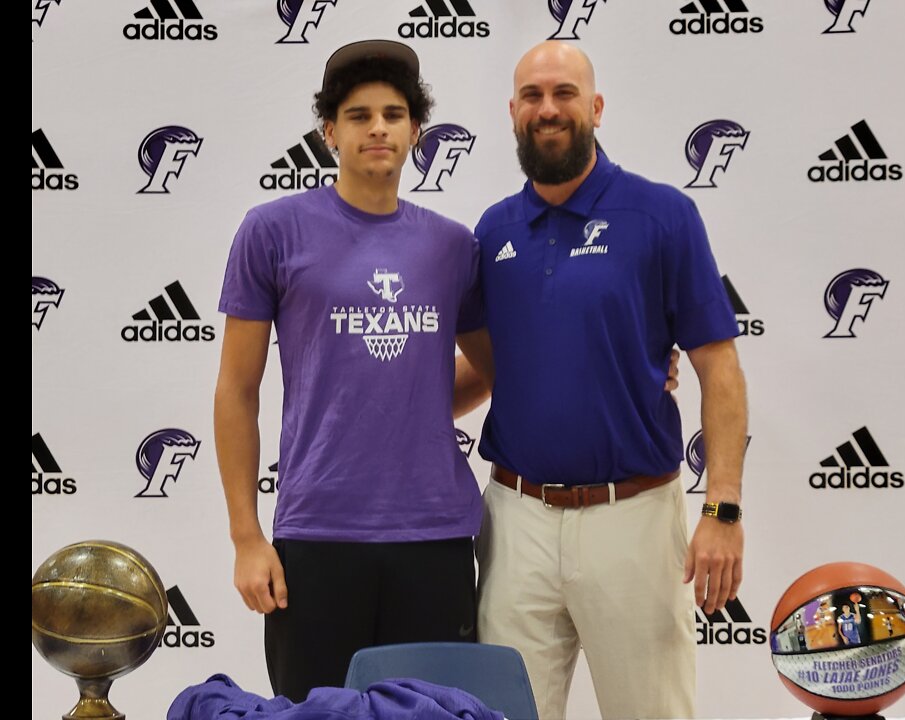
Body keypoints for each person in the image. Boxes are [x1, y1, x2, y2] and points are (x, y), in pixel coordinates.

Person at [456, 41, 750, 719]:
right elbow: (494, 365)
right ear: (511, 112)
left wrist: (723, 507)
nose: (548, 109)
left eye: (564, 93)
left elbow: (719, 367)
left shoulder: (662, 215)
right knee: (505, 714)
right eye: (532, 96)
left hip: (635, 519)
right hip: (515, 520)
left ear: (596, 106)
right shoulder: (494, 230)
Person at [213, 39, 489, 702]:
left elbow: (496, 367)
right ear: (329, 131)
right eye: (359, 115)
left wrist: (638, 370)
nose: (378, 128)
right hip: (316, 536)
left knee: (433, 716)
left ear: (416, 131)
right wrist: (247, 537)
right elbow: (236, 390)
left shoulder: (453, 246)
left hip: (436, 537)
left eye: (394, 114)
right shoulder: (273, 231)